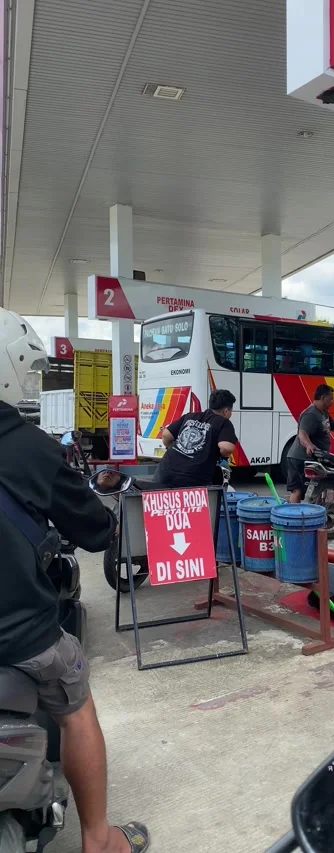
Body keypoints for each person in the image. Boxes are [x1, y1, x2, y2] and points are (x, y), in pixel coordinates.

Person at [0, 308, 149, 853]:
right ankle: (99, 839)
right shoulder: (28, 445)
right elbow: (92, 530)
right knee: (77, 704)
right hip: (21, 636)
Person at [99, 389, 238, 492]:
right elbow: (226, 447)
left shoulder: (190, 416)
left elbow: (166, 436)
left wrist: (176, 448)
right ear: (226, 411)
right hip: (193, 481)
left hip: (164, 472)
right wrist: (221, 455)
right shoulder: (223, 422)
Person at [286, 384, 334, 503]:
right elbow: (302, 434)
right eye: (331, 399)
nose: (332, 402)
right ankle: (293, 517)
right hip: (299, 458)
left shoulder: (323, 413)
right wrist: (309, 445)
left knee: (316, 488)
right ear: (323, 398)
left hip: (313, 458)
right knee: (298, 491)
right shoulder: (310, 414)